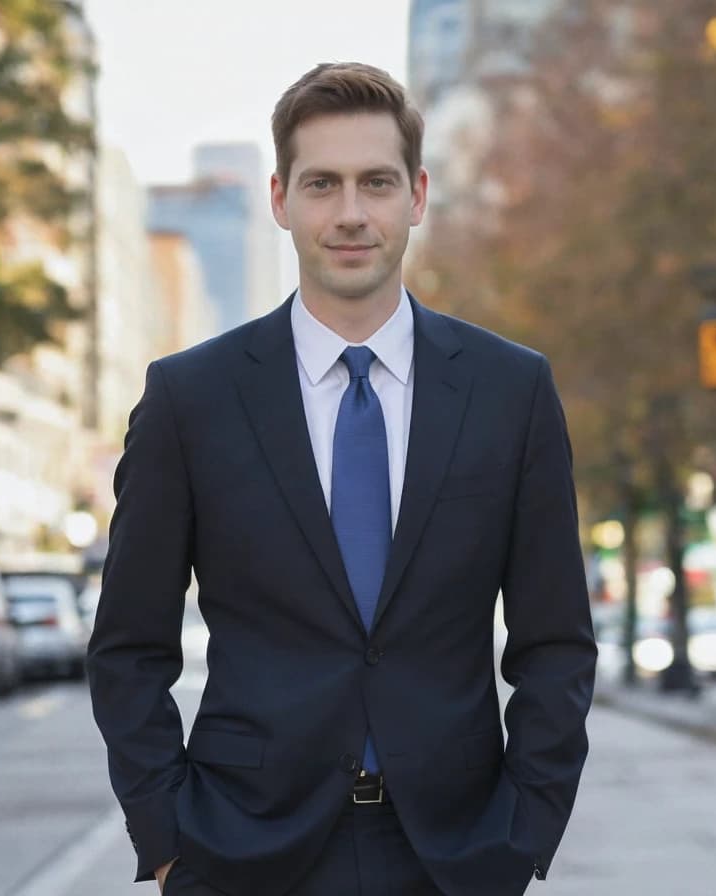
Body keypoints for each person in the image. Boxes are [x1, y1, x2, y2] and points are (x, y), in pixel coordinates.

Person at [87, 61, 597, 896]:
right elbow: (128, 647)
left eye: (377, 183)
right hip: (241, 850)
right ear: (282, 199)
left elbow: (556, 643)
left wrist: (525, 829)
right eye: (323, 184)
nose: (352, 214)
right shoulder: (191, 398)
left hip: (455, 855)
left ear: (417, 197)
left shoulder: (512, 392)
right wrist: (169, 833)